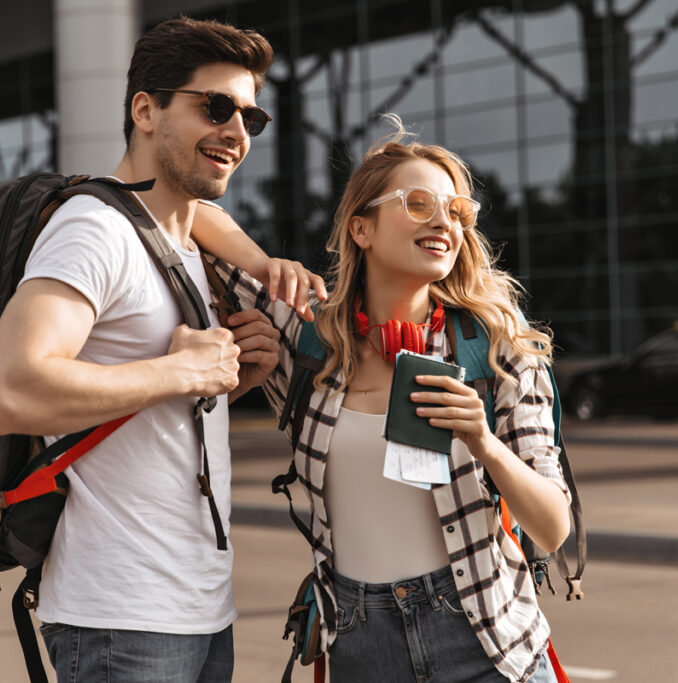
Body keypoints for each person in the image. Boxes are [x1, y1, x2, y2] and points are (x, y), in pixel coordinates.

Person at [0, 17, 323, 683]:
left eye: (252, 116)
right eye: (214, 107)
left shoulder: (182, 241)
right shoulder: (95, 231)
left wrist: (233, 377)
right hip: (121, 620)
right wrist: (182, 368)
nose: (236, 132)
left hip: (199, 608)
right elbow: (7, 391)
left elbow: (144, 404)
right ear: (146, 110)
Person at [200, 117, 572, 682]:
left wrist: (484, 443)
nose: (444, 221)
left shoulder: (497, 345)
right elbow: (188, 212)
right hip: (359, 646)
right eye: (419, 204)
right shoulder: (307, 339)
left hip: (486, 642)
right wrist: (262, 266)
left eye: (457, 211)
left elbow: (553, 528)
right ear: (361, 229)